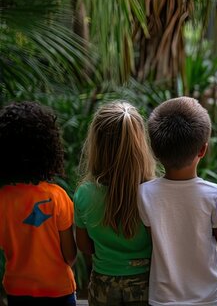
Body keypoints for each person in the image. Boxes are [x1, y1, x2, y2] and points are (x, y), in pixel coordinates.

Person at [138, 97, 217, 306]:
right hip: (210, 298)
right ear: (203, 150)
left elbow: (154, 238)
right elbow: (216, 238)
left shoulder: (144, 193)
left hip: (163, 299)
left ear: (155, 152)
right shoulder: (216, 195)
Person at [74, 101, 156, 305]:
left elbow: (84, 246)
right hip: (147, 283)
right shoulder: (153, 193)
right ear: (140, 145)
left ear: (96, 144)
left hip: (103, 283)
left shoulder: (84, 194)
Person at [0, 101, 76, 306]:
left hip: (17, 292)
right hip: (59, 292)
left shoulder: (2, 199)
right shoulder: (58, 197)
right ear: (48, 147)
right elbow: (70, 256)